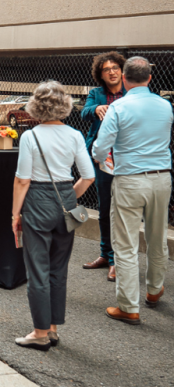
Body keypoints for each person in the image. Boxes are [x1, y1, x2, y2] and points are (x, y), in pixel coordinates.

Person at [11, 81, 95, 351]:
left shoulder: (30, 136)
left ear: (36, 106)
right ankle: (53, 327)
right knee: (58, 269)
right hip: (66, 201)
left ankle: (39, 332)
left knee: (37, 269)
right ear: (65, 106)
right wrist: (68, 196)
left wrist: (15, 214)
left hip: (37, 199)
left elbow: (22, 180)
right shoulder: (74, 135)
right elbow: (89, 176)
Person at [92, 56, 173, 325]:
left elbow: (101, 148)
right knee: (157, 236)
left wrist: (103, 161)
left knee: (125, 244)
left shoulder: (119, 107)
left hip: (129, 179)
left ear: (124, 79)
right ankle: (154, 290)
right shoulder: (166, 106)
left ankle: (129, 306)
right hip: (161, 178)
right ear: (150, 78)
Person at [80, 52, 127, 282]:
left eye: (115, 67)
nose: (111, 71)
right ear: (100, 74)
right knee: (104, 209)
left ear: (122, 70)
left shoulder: (131, 93)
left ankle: (118, 260)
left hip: (128, 159)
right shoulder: (96, 93)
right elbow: (83, 111)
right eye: (106, 68)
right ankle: (105, 255)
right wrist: (96, 108)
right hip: (102, 159)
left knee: (122, 211)